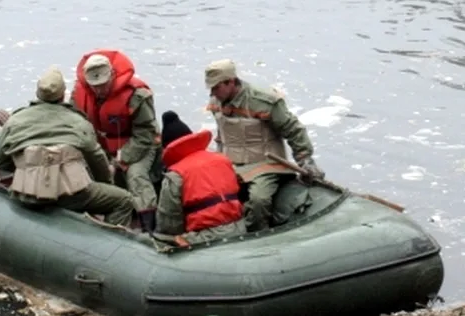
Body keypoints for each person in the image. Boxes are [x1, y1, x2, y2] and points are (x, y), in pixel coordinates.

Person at [0, 66, 135, 227]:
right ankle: (109, 245)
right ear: (62, 95)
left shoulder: (15, 120)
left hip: (27, 195)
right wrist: (105, 183)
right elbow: (97, 159)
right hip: (70, 197)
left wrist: (30, 168)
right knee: (124, 200)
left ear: (37, 93)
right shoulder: (78, 122)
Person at [203, 59, 323, 231]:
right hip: (231, 164)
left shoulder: (264, 102)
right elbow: (222, 135)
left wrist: (305, 160)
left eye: (216, 87)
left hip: (265, 165)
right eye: (211, 88)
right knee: (209, 195)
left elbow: (293, 130)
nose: (213, 92)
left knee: (259, 200)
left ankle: (259, 235)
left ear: (230, 82)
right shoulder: (216, 102)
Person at [72, 49, 161, 232]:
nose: (99, 90)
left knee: (136, 176)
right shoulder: (79, 94)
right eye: (94, 86)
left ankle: (149, 227)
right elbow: (74, 123)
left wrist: (122, 159)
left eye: (103, 85)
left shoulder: (137, 96)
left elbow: (146, 134)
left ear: (112, 75)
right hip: (103, 145)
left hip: (139, 145)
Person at [154, 111, 247, 245]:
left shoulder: (175, 175)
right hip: (240, 229)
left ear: (167, 147)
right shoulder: (223, 160)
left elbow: (169, 225)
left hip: (205, 239)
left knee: (160, 239)